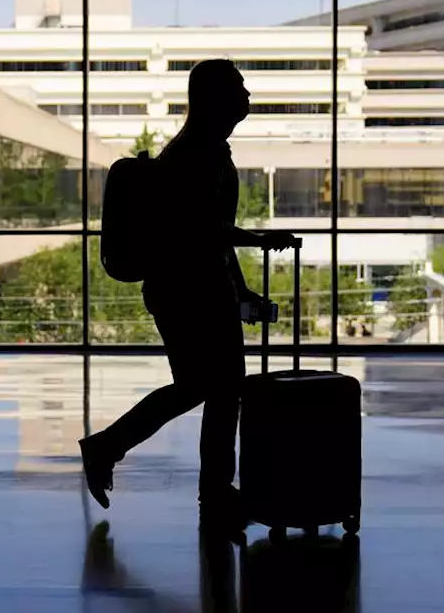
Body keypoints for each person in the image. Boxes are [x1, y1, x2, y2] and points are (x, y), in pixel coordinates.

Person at [79, 59, 295, 528]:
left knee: (211, 389)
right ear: (215, 96)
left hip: (193, 286)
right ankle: (202, 488)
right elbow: (203, 230)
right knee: (213, 389)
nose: (247, 93)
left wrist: (238, 287)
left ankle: (204, 488)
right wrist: (256, 243)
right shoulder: (196, 152)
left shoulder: (209, 150)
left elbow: (211, 236)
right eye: (238, 86)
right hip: (186, 289)